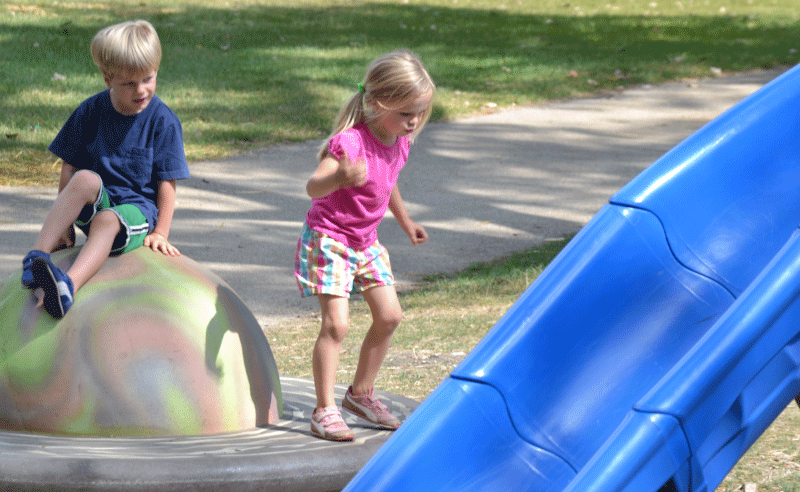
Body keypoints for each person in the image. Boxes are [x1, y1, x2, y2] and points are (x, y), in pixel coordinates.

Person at [295, 50, 435, 441]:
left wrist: (406, 223)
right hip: (330, 239)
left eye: (421, 113)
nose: (414, 122)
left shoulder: (399, 141)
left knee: (390, 316)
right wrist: (339, 177)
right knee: (336, 324)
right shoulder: (349, 144)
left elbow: (386, 183)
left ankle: (359, 394)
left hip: (365, 241)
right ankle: (324, 409)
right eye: (408, 113)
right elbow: (312, 187)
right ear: (377, 103)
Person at [21, 19, 190, 319]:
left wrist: (161, 232)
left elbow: (167, 184)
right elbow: (69, 168)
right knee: (84, 177)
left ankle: (68, 286)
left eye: (148, 79)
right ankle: (37, 258)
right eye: (129, 83)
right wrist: (64, 229)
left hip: (135, 214)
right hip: (99, 204)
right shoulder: (89, 111)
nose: (141, 90)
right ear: (107, 77)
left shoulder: (162, 121)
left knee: (109, 219)